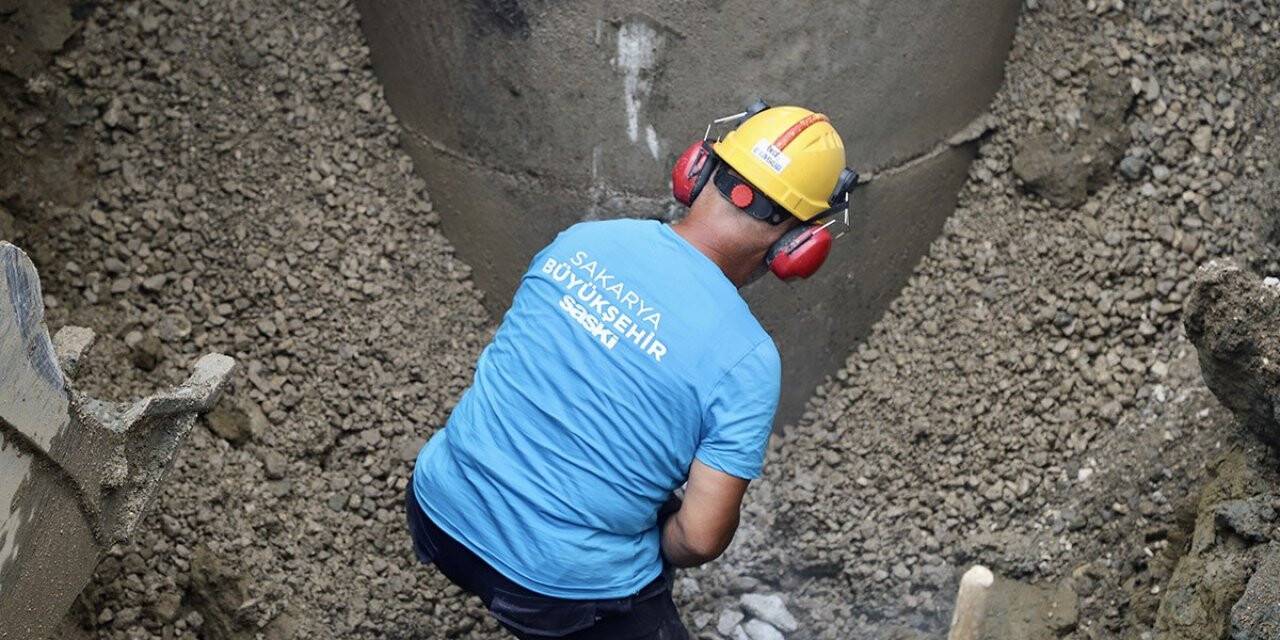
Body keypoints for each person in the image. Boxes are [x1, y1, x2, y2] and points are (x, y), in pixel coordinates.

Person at [405, 102, 856, 639]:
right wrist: (648, 542)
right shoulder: (747, 361)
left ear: (698, 169)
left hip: (437, 507)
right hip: (555, 588)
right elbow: (700, 539)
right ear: (798, 246)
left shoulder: (581, 241)